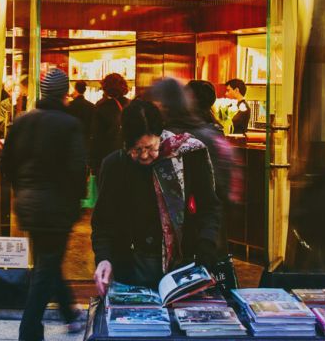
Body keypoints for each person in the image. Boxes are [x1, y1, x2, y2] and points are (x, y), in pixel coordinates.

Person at [92, 99, 221, 295]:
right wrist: (103, 258)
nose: (144, 156)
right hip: (131, 267)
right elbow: (103, 222)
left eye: (150, 147)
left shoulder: (187, 156)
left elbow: (209, 207)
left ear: (159, 135)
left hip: (183, 267)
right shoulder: (115, 165)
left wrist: (206, 246)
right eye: (136, 149)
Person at [1, 69, 87, 341]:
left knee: (46, 262)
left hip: (29, 203)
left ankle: (69, 313)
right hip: (57, 206)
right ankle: (29, 329)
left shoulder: (23, 121)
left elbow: (6, 164)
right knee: (46, 265)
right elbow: (76, 170)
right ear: (64, 93)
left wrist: (22, 189)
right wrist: (77, 203)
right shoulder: (69, 124)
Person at [153, 78, 241, 256]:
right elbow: (227, 179)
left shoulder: (176, 137)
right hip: (211, 219)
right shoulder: (213, 132)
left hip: (192, 222)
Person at [89, 73, 130, 174]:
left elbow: (97, 138)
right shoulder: (130, 105)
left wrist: (93, 164)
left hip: (107, 159)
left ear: (105, 87)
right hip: (128, 158)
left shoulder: (102, 107)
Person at [67, 80, 95, 150]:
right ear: (85, 90)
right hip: (86, 140)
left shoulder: (69, 105)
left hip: (72, 140)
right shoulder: (91, 106)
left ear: (75, 89)